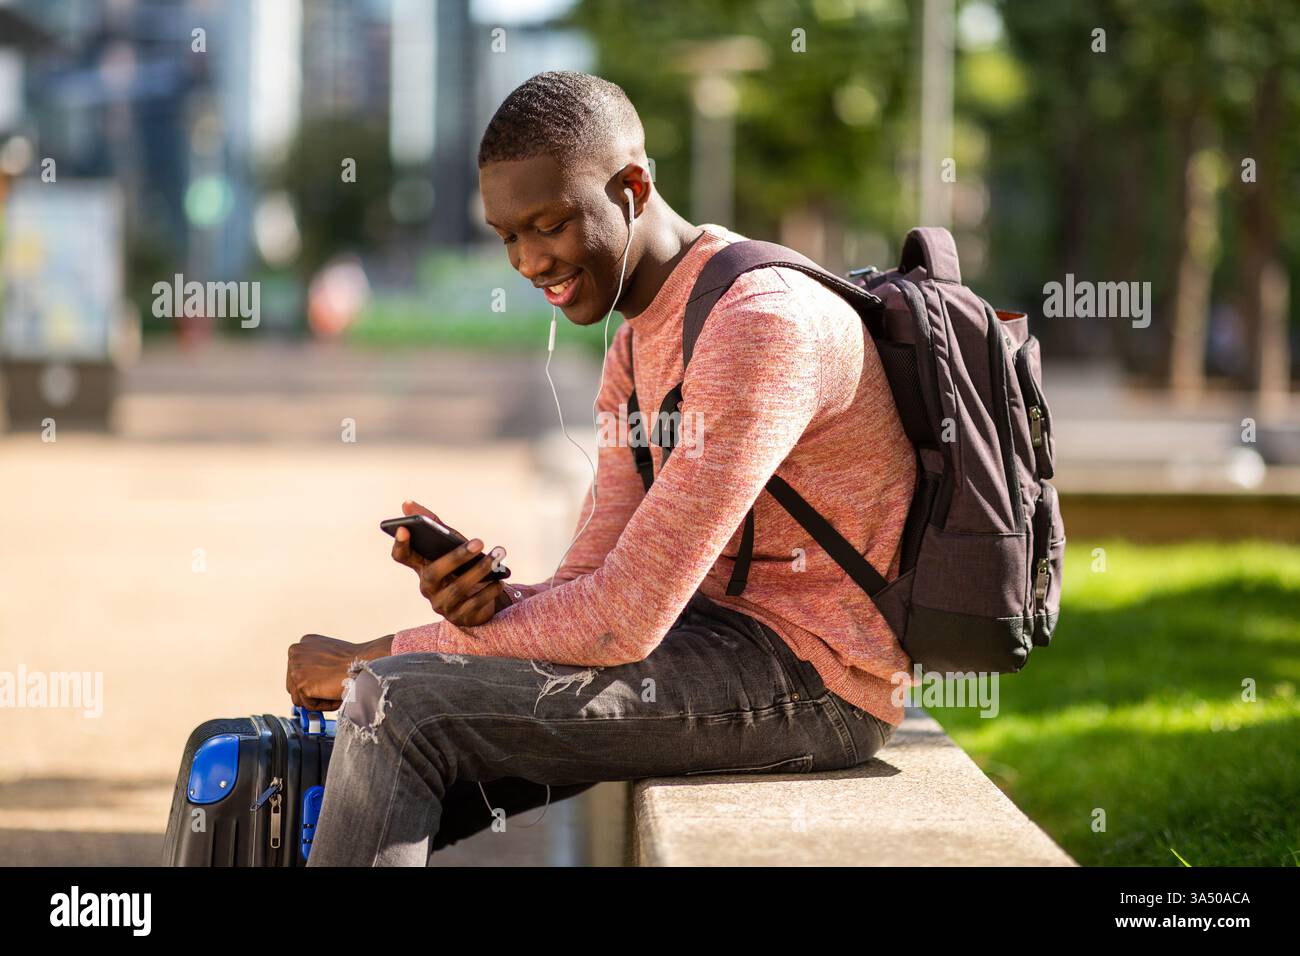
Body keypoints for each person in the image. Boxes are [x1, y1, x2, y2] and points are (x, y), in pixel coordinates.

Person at [287, 70, 916, 866]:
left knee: (397, 705)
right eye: (506, 235)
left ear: (632, 186)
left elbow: (623, 618)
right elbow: (599, 579)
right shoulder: (635, 342)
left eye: (547, 224)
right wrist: (488, 605)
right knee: (293, 759)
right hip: (705, 645)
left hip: (819, 683)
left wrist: (377, 653)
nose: (526, 261)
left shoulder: (758, 324)